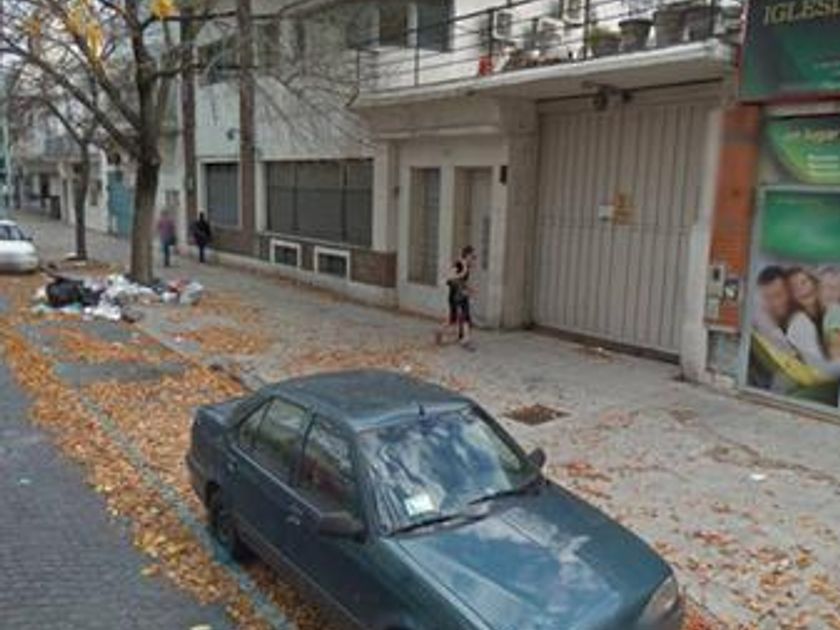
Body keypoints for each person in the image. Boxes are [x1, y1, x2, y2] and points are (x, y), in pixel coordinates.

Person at [437, 246, 477, 350]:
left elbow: (462, 282)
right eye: (473, 256)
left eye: (474, 257)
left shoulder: (466, 266)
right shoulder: (459, 264)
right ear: (467, 255)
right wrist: (463, 271)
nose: (474, 259)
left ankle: (466, 340)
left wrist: (470, 289)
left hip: (462, 295)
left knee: (465, 317)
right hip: (455, 295)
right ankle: (440, 331)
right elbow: (449, 277)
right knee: (453, 319)